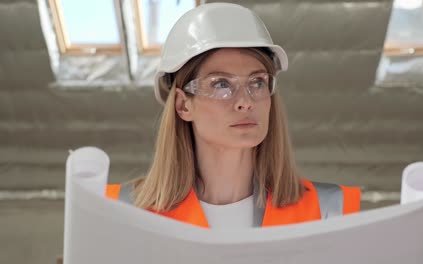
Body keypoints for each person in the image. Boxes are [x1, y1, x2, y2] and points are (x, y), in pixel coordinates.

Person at [106, 3, 360, 229]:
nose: (245, 102)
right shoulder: (119, 212)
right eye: (221, 84)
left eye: (257, 82)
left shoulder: (329, 211)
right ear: (183, 105)